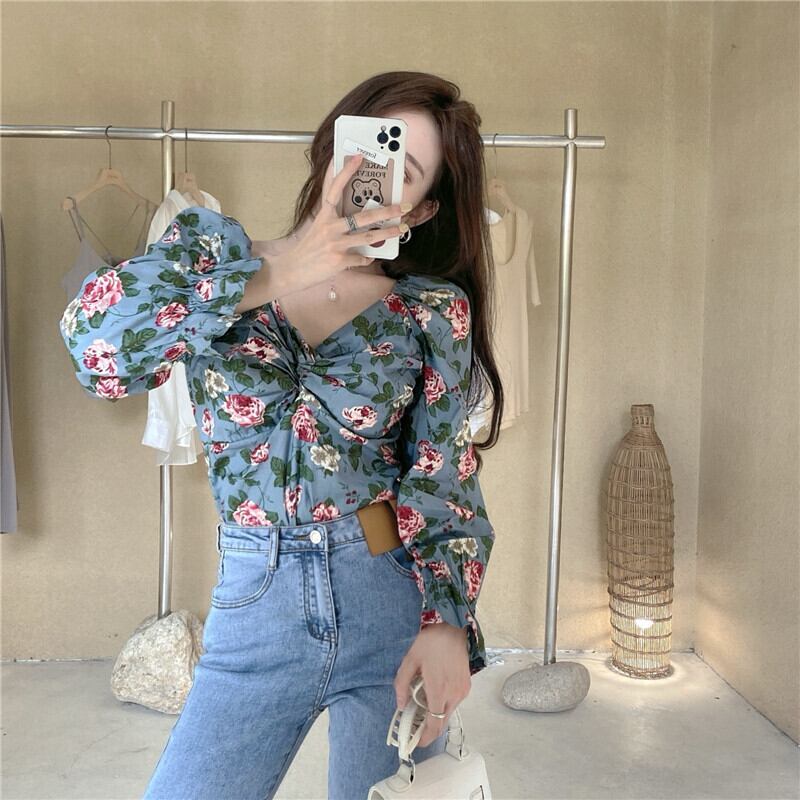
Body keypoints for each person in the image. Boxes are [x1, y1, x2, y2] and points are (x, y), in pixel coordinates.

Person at [59, 70, 505, 799]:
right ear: (333, 145)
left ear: (422, 208)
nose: (375, 172)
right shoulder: (208, 260)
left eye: (405, 170)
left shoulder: (429, 312)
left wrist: (448, 624)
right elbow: (97, 352)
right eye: (372, 146)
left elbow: (443, 477)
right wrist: (290, 264)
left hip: (388, 593)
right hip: (253, 605)